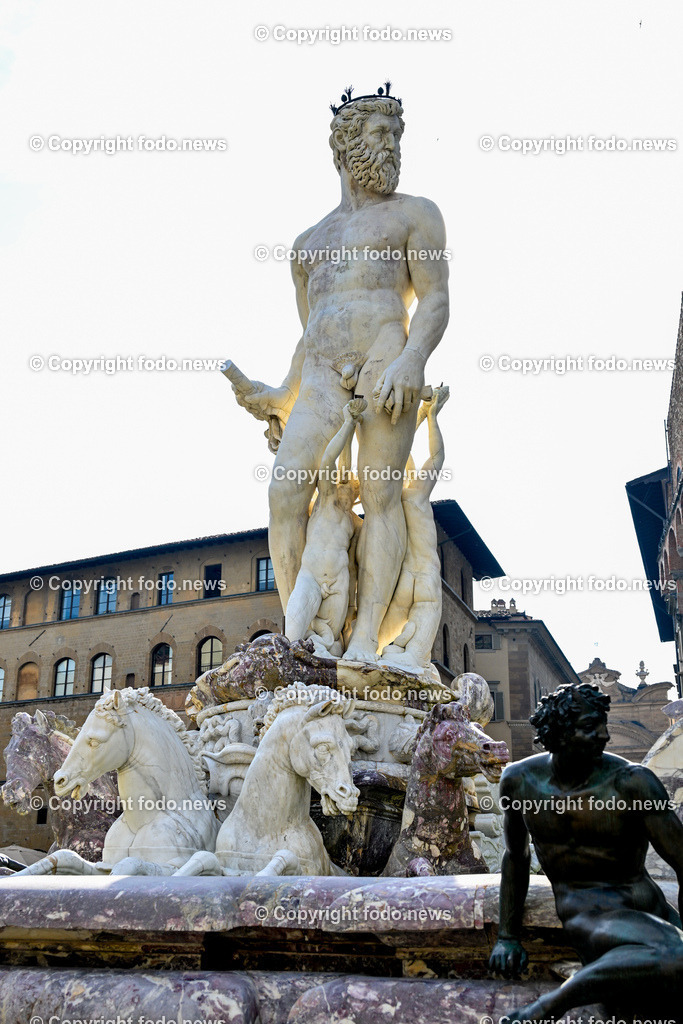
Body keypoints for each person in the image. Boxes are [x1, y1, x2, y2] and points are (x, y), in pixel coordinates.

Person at [231, 86, 449, 663]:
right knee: (284, 492)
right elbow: (311, 332)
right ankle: (301, 639)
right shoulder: (308, 245)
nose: (394, 146)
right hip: (324, 372)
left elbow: (434, 300)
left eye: (397, 135)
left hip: (385, 358)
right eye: (382, 134)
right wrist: (281, 393)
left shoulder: (415, 214)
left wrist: (411, 361)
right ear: (348, 146)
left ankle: (362, 640)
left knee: (379, 493)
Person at [489, 682, 683, 1023]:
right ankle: (546, 1008)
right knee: (677, 957)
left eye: (604, 724)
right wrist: (507, 936)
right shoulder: (519, 782)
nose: (605, 735)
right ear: (560, 733)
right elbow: (516, 858)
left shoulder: (633, 782)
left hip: (653, 912)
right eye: (591, 727)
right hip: (590, 914)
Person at [285, 398, 365, 656]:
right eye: (347, 483)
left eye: (354, 488)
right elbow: (332, 460)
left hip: (339, 581)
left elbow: (355, 562)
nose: (350, 487)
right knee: (294, 632)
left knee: (333, 645)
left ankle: (322, 676)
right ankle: (290, 665)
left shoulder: (355, 521)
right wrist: (349, 424)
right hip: (311, 575)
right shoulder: (326, 498)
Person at [379, 385, 450, 674]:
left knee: (377, 643)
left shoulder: (390, 501)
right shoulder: (418, 495)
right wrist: (432, 416)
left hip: (403, 582)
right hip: (426, 580)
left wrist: (417, 417)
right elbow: (437, 457)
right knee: (418, 659)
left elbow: (401, 449)